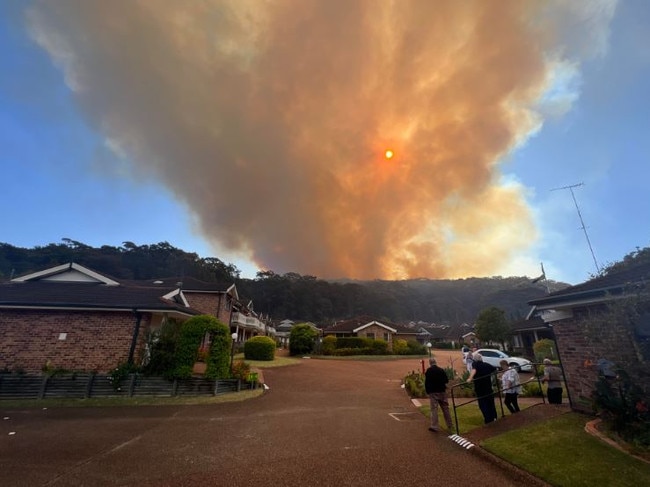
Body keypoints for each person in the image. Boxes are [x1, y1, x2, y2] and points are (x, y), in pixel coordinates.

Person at [424, 357, 454, 432]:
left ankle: (434, 426)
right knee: (445, 408)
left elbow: (427, 382)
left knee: (434, 409)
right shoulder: (441, 370)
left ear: (430, 363)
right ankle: (450, 424)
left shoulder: (429, 371)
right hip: (442, 391)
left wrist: (428, 391)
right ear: (435, 362)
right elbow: (446, 380)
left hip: (433, 392)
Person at [467, 352, 498, 423]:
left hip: (480, 388)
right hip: (488, 387)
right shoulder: (487, 365)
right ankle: (494, 417)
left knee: (483, 404)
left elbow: (474, 370)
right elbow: (495, 370)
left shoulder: (475, 364)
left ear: (475, 360)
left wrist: (470, 378)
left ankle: (488, 419)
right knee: (490, 403)